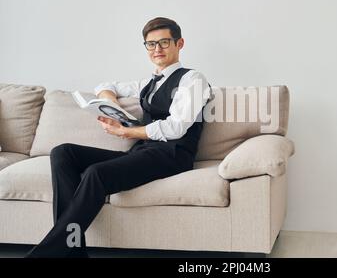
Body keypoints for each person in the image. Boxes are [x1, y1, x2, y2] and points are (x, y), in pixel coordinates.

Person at [26, 17, 211, 258]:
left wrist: (127, 131)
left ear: (180, 43)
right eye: (150, 44)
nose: (157, 49)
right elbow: (106, 85)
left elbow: (176, 128)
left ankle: (44, 254)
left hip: (173, 156)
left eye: (164, 42)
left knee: (96, 173)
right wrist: (112, 107)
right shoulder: (149, 83)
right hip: (144, 152)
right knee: (63, 152)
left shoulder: (193, 80)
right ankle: (72, 252)